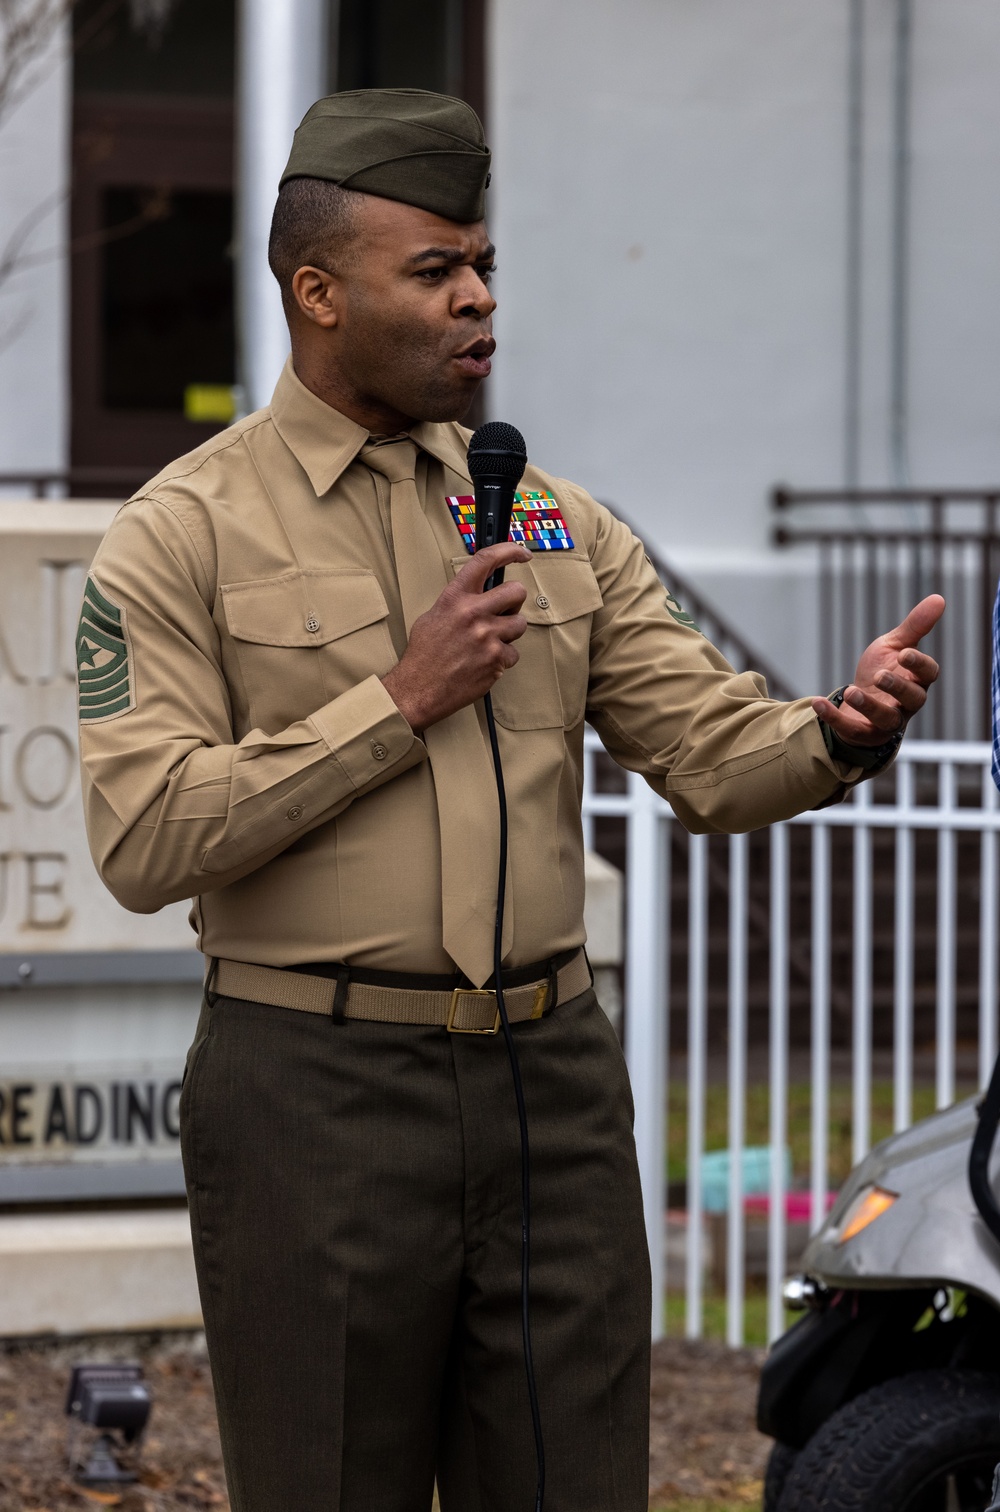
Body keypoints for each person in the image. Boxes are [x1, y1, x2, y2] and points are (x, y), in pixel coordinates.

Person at [76, 88, 943, 1512]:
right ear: (320, 292)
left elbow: (716, 758)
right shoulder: (185, 532)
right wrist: (397, 700)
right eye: (436, 270)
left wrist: (841, 731)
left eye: (486, 265)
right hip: (317, 1098)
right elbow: (147, 833)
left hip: (556, 1090)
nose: (481, 299)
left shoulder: (555, 519)